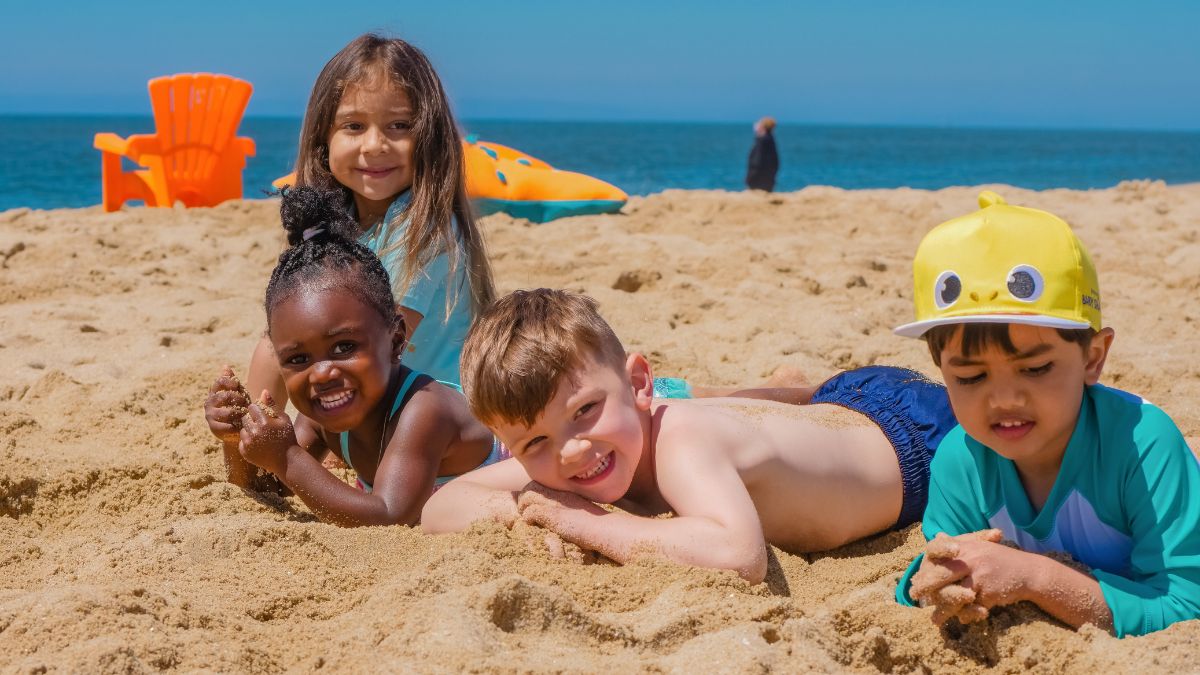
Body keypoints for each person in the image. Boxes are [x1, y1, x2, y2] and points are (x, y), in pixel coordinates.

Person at [421, 288, 958, 584]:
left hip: (916, 436)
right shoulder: (568, 458)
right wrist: (529, 507)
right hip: (838, 414)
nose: (572, 449)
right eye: (533, 443)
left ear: (637, 384)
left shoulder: (681, 439)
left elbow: (739, 556)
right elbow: (443, 505)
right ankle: (783, 393)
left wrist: (577, 521)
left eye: (586, 410)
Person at [892, 191, 1200, 637]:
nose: (1004, 400)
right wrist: (930, 585)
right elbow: (931, 570)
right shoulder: (961, 458)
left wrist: (1038, 578)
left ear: (1093, 357)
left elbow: (1187, 604)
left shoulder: (1142, 443)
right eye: (971, 377)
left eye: (1035, 368)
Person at [203, 187, 507, 526]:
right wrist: (235, 440)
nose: (321, 374)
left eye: (344, 347)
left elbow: (389, 515)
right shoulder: (322, 415)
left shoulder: (424, 410)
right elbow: (268, 487)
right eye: (298, 359)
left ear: (395, 341)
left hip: (519, 478)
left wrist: (287, 455)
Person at [245, 33, 495, 409]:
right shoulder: (339, 220)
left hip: (435, 411)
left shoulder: (421, 227)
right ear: (323, 140)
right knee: (278, 336)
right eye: (354, 126)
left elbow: (381, 346)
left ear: (430, 137)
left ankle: (266, 445)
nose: (375, 145)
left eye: (399, 126)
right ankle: (254, 439)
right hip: (376, 398)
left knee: (295, 343)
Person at [745, 116, 779, 192]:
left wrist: (750, 178)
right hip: (767, 179)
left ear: (762, 127)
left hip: (759, 180)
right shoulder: (769, 139)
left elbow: (757, 161)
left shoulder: (763, 141)